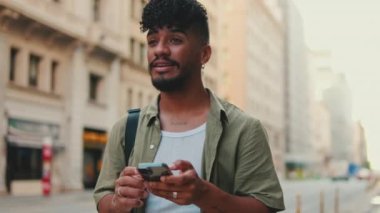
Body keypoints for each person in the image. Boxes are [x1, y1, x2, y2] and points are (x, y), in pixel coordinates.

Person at [94, 0, 285, 212]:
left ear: (204, 54)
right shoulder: (127, 128)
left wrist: (203, 194)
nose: (160, 50)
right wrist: (118, 202)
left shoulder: (245, 129)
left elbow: (266, 207)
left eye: (175, 40)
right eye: (152, 41)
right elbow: (103, 199)